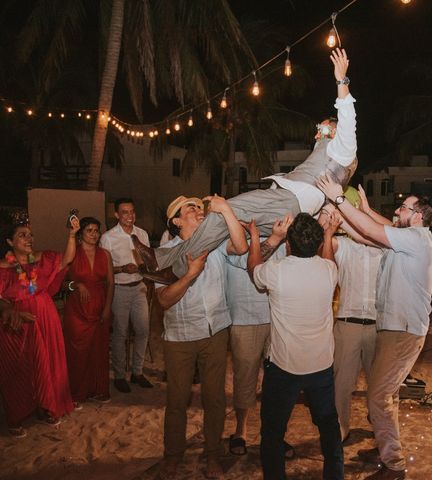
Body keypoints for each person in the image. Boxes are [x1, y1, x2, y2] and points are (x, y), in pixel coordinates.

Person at [133, 48, 357, 280]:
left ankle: (166, 262)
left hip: (289, 201)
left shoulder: (344, 148)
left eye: (321, 129)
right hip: (288, 210)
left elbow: (348, 115)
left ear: (335, 130)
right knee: (222, 222)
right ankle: (170, 267)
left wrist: (342, 78)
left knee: (223, 210)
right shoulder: (333, 162)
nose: (316, 135)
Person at [317, 176, 432, 480]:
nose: (398, 211)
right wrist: (365, 210)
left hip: (403, 332)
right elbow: (371, 234)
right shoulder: (407, 240)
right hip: (396, 330)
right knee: (387, 395)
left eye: (403, 208)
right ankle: (385, 446)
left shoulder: (418, 238)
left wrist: (339, 200)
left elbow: (372, 232)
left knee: (379, 397)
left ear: (418, 216)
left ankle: (394, 465)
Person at [156, 195, 247, 479]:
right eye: (190, 208)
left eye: (199, 206)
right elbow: (163, 300)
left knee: (215, 399)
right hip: (180, 336)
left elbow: (242, 246)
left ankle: (212, 456)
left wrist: (226, 210)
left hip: (215, 331)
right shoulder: (165, 252)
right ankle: (172, 456)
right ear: (176, 221)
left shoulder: (217, 243)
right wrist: (189, 275)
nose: (197, 210)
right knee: (177, 400)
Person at [248, 213, 343, 480]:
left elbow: (253, 268)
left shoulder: (276, 272)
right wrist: (329, 235)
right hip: (321, 366)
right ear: (315, 244)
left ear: (289, 244)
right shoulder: (329, 271)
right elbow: (328, 259)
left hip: (284, 368)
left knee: (273, 432)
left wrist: (257, 238)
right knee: (328, 427)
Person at [0, 213, 80, 438]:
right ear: (9, 242)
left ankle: (48, 406)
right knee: (19, 367)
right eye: (22, 235)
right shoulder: (4, 267)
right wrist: (7, 310)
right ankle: (17, 414)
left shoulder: (42, 259)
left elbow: (67, 259)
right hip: (19, 321)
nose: (29, 239)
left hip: (45, 316)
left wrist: (72, 235)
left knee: (49, 362)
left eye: (30, 235)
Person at [223, 217, 292, 457]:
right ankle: (240, 431)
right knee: (245, 379)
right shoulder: (233, 239)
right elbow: (253, 262)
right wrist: (270, 237)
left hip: (276, 319)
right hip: (244, 319)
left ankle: (274, 436)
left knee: (278, 382)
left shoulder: (283, 240)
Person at [318, 200, 382, 443]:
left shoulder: (383, 247)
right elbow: (323, 255)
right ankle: (340, 429)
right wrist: (327, 221)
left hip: (378, 325)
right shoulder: (341, 244)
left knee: (379, 386)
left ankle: (380, 427)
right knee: (342, 384)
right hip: (347, 324)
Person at [99, 197, 153, 393]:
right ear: (116, 215)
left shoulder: (142, 234)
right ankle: (120, 375)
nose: (129, 216)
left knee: (143, 330)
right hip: (119, 289)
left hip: (139, 288)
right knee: (120, 334)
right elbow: (102, 269)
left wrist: (144, 268)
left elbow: (148, 260)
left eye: (132, 212)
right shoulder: (108, 237)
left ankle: (137, 372)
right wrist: (122, 268)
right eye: (124, 212)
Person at [63, 217, 114, 406]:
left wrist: (108, 307)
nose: (94, 234)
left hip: (100, 306)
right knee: (78, 351)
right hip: (77, 309)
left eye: (96, 230)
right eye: (89, 231)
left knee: (99, 350)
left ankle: (96, 390)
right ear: (80, 234)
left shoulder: (105, 254)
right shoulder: (73, 253)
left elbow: (111, 282)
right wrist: (76, 285)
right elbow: (63, 284)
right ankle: (76, 393)